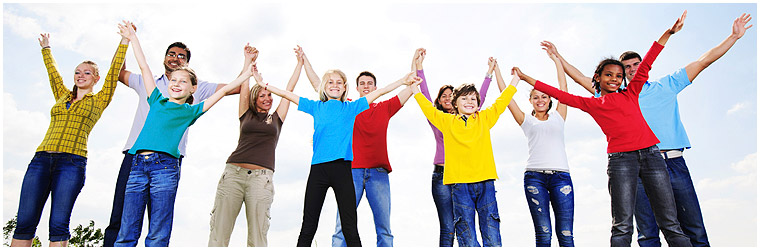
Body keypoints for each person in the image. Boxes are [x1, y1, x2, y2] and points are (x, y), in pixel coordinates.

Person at [540, 13, 752, 247]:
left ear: (642, 67)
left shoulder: (667, 85)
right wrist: (557, 57)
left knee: (692, 228)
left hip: (671, 163)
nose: (631, 70)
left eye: (635, 65)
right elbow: (581, 78)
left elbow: (702, 61)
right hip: (634, 165)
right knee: (647, 233)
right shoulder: (610, 98)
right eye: (625, 67)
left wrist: (733, 37)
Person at [512, 11, 693, 247]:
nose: (615, 79)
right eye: (609, 75)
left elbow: (648, 61)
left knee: (670, 223)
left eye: (619, 75)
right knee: (622, 225)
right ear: (598, 78)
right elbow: (560, 94)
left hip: (651, 156)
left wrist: (668, 34)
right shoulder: (594, 103)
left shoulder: (632, 92)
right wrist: (526, 78)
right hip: (621, 161)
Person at [113, 21, 253, 247]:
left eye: (183, 81)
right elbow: (144, 67)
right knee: (127, 228)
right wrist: (132, 38)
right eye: (174, 80)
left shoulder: (191, 111)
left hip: (165, 169)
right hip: (137, 166)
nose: (177, 84)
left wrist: (247, 70)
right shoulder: (156, 99)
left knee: (158, 230)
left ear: (193, 89)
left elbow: (227, 90)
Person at [262, 53, 417, 246]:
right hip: (318, 171)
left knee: (350, 227)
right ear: (324, 88)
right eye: (330, 83)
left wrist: (403, 81)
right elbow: (288, 94)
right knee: (309, 225)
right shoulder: (315, 106)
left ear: (345, 87)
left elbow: (382, 91)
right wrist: (265, 85)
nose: (334, 85)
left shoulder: (351, 108)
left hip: (343, 170)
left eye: (339, 83)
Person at [11, 33, 128, 247]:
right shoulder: (62, 95)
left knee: (58, 224)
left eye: (87, 72)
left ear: (95, 78)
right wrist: (46, 49)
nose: (80, 75)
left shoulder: (100, 100)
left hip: (71, 163)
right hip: (40, 160)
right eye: (77, 72)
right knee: (25, 222)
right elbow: (53, 73)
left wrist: (124, 42)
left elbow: (113, 74)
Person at [411, 56, 517, 247]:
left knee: (491, 227)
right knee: (465, 230)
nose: (470, 101)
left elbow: (502, 102)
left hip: (485, 181)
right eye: (464, 98)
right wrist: (414, 89)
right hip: (460, 185)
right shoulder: (447, 122)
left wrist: (514, 81)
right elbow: (427, 107)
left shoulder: (484, 118)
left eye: (473, 99)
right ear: (455, 103)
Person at [207, 45, 303, 247]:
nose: (268, 98)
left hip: (261, 179)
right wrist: (248, 61)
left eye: (270, 95)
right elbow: (244, 84)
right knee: (219, 234)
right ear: (254, 98)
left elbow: (289, 89)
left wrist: (299, 64)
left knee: (258, 237)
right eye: (263, 95)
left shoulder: (277, 119)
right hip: (233, 174)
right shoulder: (245, 114)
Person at [496, 49, 574, 246]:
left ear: (550, 100)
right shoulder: (526, 120)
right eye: (536, 97)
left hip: (561, 177)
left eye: (544, 97)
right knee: (543, 234)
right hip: (534, 177)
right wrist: (497, 71)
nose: (540, 100)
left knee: (565, 234)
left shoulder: (559, 117)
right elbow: (506, 99)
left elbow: (563, 86)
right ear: (530, 101)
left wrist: (556, 60)